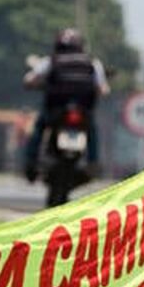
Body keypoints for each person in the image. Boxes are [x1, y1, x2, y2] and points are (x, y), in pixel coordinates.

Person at [23, 28, 110, 182]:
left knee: (39, 127)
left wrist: (34, 84)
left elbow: (30, 79)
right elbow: (103, 89)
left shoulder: (51, 60)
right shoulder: (92, 63)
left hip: (56, 111)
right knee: (91, 130)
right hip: (83, 112)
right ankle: (92, 162)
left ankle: (31, 161)